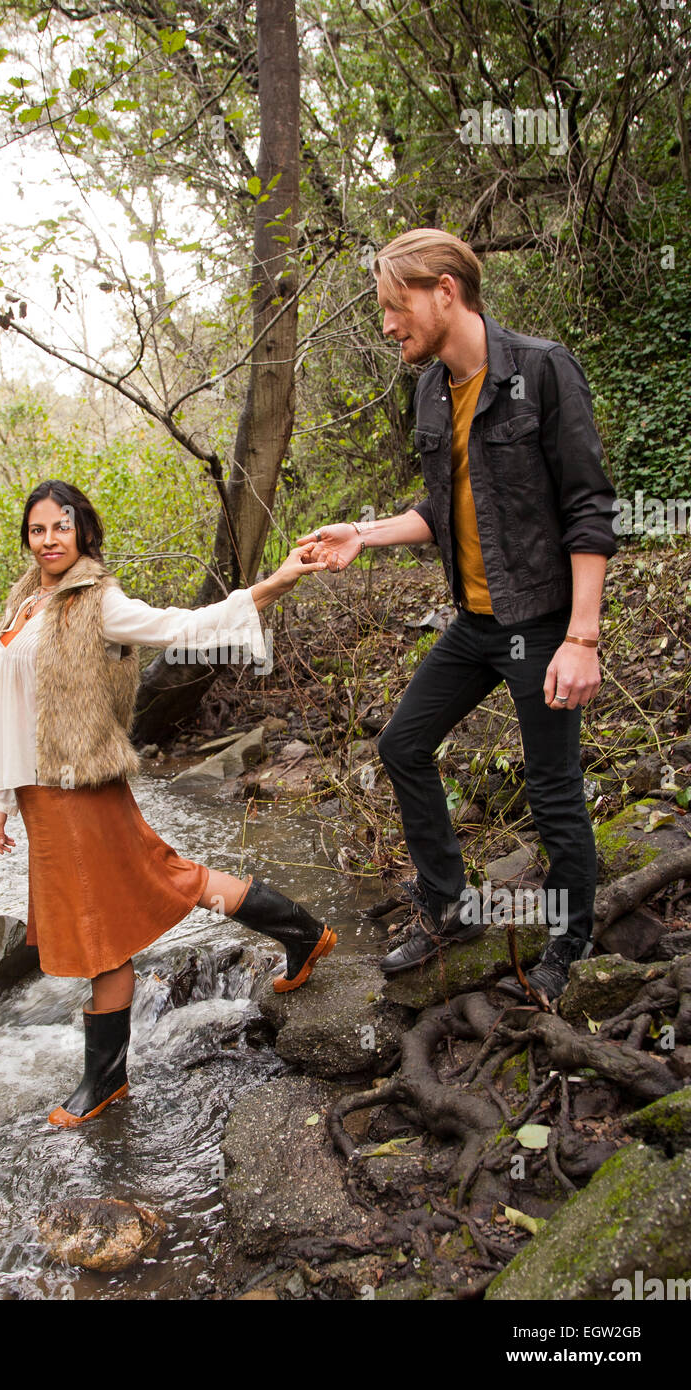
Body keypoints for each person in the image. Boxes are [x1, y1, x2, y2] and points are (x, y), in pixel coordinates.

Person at [299, 228, 618, 1003]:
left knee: (551, 788)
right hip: (476, 622)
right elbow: (440, 512)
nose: (386, 325)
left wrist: (582, 637)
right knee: (403, 745)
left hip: (544, 623)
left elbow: (589, 511)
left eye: (393, 305)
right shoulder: (430, 391)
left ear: (446, 289)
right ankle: (449, 903)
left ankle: (571, 945)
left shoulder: (542, 371)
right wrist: (363, 534)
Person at [0, 479, 336, 1128]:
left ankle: (105, 1081)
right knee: (153, 885)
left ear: (83, 532)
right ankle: (303, 933)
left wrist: (278, 582)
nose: (48, 539)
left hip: (81, 787)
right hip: (40, 793)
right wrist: (0, 798)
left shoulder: (96, 603)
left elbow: (187, 627)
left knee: (109, 920)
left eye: (60, 526)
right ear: (26, 540)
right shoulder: (24, 606)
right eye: (37, 530)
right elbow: (9, 710)